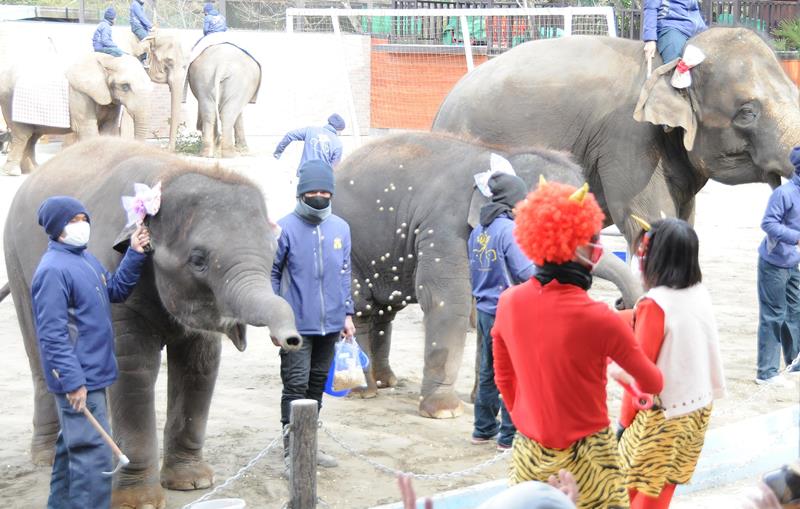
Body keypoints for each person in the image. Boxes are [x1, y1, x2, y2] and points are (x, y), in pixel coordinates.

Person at [492, 180, 663, 509]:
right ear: (578, 248)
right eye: (593, 241)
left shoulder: (509, 302)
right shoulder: (599, 317)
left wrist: (527, 417)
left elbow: (503, 375)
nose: (597, 248)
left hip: (528, 454)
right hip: (590, 459)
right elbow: (653, 380)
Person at [32, 196, 150, 508]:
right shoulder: (52, 271)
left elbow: (115, 290)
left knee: (71, 450)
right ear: (57, 228)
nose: (81, 226)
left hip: (94, 374)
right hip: (79, 380)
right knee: (93, 460)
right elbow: (52, 334)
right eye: (73, 221)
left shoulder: (85, 259)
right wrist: (73, 383)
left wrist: (135, 254)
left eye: (84, 219)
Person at [616, 217, 726, 509]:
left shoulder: (655, 303)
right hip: (698, 409)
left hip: (664, 417)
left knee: (627, 490)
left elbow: (640, 371)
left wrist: (623, 423)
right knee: (662, 488)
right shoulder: (699, 291)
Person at [271, 159, 355, 472]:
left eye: (325, 191)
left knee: (316, 386)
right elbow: (272, 273)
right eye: (313, 191)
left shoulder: (341, 228)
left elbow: (345, 272)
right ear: (301, 193)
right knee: (295, 386)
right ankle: (292, 451)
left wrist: (347, 313)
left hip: (332, 324)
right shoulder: (284, 228)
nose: (319, 196)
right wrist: (275, 318)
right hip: (295, 327)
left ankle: (310, 447)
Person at [468, 173, 534, 451]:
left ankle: (483, 429)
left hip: (483, 308)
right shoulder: (509, 231)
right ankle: (509, 436)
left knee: (487, 370)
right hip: (508, 311)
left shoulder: (478, 231)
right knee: (513, 372)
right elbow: (526, 272)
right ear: (512, 201)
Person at [756, 147, 800, 384]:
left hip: (792, 263)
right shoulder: (784, 193)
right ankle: (766, 372)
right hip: (773, 264)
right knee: (773, 315)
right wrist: (796, 237)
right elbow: (768, 223)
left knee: (795, 312)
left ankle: (795, 364)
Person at [273, 114, 345, 175]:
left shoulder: (310, 130)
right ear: (338, 129)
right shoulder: (338, 144)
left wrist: (278, 152)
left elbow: (289, 135)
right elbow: (334, 168)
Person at [642, 0, 706, 65]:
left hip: (697, 29)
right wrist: (650, 39)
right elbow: (651, 8)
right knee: (675, 62)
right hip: (670, 26)